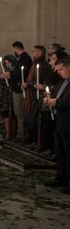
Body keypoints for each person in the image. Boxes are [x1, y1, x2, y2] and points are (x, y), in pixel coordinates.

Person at [43, 56, 70, 194]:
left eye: (60, 69)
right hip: (60, 122)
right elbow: (58, 96)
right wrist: (50, 99)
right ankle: (61, 178)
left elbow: (67, 102)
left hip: (67, 123)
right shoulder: (63, 81)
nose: (58, 72)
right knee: (60, 153)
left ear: (68, 67)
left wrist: (56, 102)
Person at [2, 42, 32, 142]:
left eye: (12, 50)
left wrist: (10, 75)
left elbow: (20, 73)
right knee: (17, 112)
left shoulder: (25, 59)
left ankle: (22, 135)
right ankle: (20, 133)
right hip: (16, 89)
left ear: (16, 48)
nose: (12, 52)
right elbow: (16, 71)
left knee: (20, 113)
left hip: (20, 90)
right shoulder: (21, 59)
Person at [0, 55, 16, 140]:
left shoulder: (14, 70)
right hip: (3, 94)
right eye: (6, 63)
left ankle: (10, 133)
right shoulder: (5, 70)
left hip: (9, 93)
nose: (7, 64)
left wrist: (7, 76)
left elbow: (13, 79)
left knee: (10, 113)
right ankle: (5, 132)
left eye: (9, 62)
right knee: (4, 113)